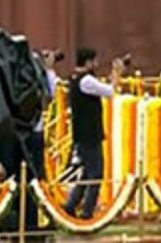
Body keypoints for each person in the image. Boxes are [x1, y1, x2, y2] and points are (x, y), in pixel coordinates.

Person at [65, 47, 124, 219]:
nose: (96, 64)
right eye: (95, 61)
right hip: (89, 134)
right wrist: (117, 73)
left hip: (83, 133)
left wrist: (114, 74)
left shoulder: (76, 78)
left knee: (86, 173)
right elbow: (109, 92)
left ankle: (71, 204)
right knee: (96, 174)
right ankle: (87, 212)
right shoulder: (86, 81)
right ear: (88, 62)